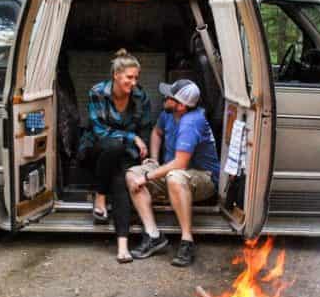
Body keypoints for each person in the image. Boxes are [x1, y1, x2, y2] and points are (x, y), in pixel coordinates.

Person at [126, 79, 219, 267]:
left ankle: (187, 241)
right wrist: (153, 160)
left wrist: (146, 177)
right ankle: (154, 235)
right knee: (131, 175)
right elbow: (157, 132)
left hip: (203, 177)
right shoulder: (168, 113)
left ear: (181, 106)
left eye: (169, 96)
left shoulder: (191, 122)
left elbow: (180, 163)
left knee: (174, 177)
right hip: (173, 172)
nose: (164, 97)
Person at [77, 49, 154, 263]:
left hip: (124, 154)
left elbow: (146, 128)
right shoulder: (98, 92)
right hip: (96, 149)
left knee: (122, 181)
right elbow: (99, 130)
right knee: (115, 146)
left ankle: (122, 246)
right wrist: (131, 137)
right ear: (116, 75)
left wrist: (146, 154)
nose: (134, 82)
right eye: (129, 77)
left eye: (136, 77)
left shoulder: (140, 96)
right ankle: (100, 195)